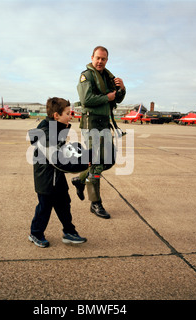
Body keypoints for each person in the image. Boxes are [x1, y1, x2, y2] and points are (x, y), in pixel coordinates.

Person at [72, 46, 126, 219]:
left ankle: (80, 179)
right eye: (98, 58)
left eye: (103, 59)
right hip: (91, 122)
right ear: (92, 57)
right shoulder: (86, 76)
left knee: (108, 161)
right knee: (96, 162)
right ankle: (96, 203)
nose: (100, 61)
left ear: (107, 60)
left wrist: (122, 89)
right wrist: (107, 98)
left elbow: (116, 98)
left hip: (104, 123)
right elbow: (86, 99)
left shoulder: (108, 77)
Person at [28, 97, 88, 248]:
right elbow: (58, 160)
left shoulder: (57, 128)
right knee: (44, 208)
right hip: (46, 178)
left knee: (64, 204)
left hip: (57, 176)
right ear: (56, 116)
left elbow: (63, 151)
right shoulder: (46, 135)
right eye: (68, 113)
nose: (71, 116)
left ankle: (69, 232)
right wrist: (84, 164)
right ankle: (35, 233)